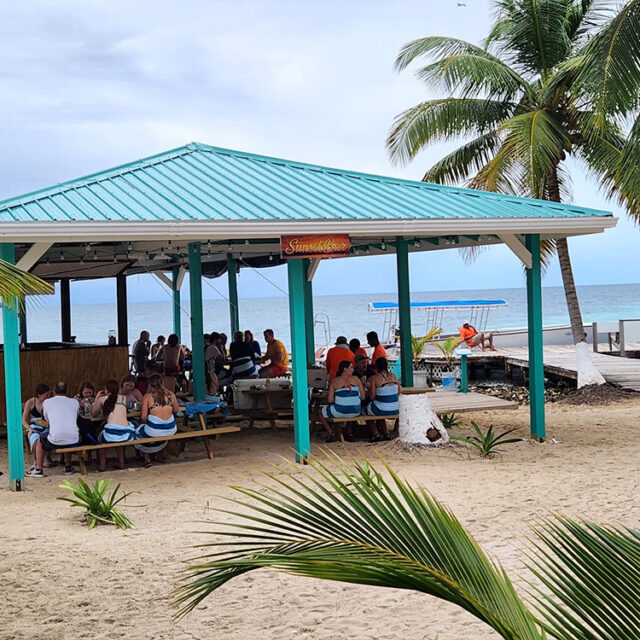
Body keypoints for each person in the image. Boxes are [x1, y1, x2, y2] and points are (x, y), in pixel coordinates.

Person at [27, 382, 80, 477]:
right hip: (74, 439)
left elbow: (47, 420)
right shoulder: (75, 402)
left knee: (40, 440)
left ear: (54, 392)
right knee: (67, 437)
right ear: (67, 391)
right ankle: (68, 467)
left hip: (55, 439)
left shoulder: (47, 402)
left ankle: (38, 469)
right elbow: (77, 416)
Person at [92, 379, 136, 471]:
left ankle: (102, 466)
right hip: (126, 434)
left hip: (111, 433)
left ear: (106, 390)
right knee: (119, 440)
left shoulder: (102, 399)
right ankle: (122, 463)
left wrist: (97, 398)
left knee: (100, 439)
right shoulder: (124, 398)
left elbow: (94, 414)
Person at [136, 374, 179, 467]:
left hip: (154, 429)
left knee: (139, 432)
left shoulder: (147, 397)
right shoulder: (171, 394)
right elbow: (176, 410)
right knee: (162, 433)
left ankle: (147, 459)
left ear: (150, 385)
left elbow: (143, 417)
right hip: (171, 428)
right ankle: (162, 455)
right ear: (162, 383)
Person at [319, 360, 364, 443]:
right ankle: (348, 431)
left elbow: (330, 400)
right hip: (356, 411)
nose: (353, 369)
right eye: (351, 367)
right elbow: (363, 397)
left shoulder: (334, 381)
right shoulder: (356, 380)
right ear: (345, 369)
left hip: (339, 411)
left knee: (320, 412)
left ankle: (332, 434)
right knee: (350, 408)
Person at [363, 357, 400, 442]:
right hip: (396, 409)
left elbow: (372, 397)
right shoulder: (394, 376)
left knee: (366, 411)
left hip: (382, 408)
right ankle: (386, 433)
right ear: (387, 365)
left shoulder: (375, 378)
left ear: (377, 367)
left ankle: (376, 434)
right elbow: (398, 393)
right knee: (378, 406)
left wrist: (368, 389)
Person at [22, 383, 54, 472]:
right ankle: (37, 462)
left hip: (47, 425)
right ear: (39, 395)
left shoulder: (49, 402)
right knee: (36, 439)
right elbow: (23, 420)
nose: (48, 397)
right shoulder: (30, 402)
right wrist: (29, 429)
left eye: (49, 395)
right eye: (46, 395)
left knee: (46, 438)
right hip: (35, 426)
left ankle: (47, 459)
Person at [75, 381, 97, 445]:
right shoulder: (77, 398)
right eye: (86, 393)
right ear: (81, 392)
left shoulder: (95, 398)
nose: (88, 395)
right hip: (81, 421)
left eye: (90, 392)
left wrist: (95, 402)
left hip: (93, 420)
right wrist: (81, 404)